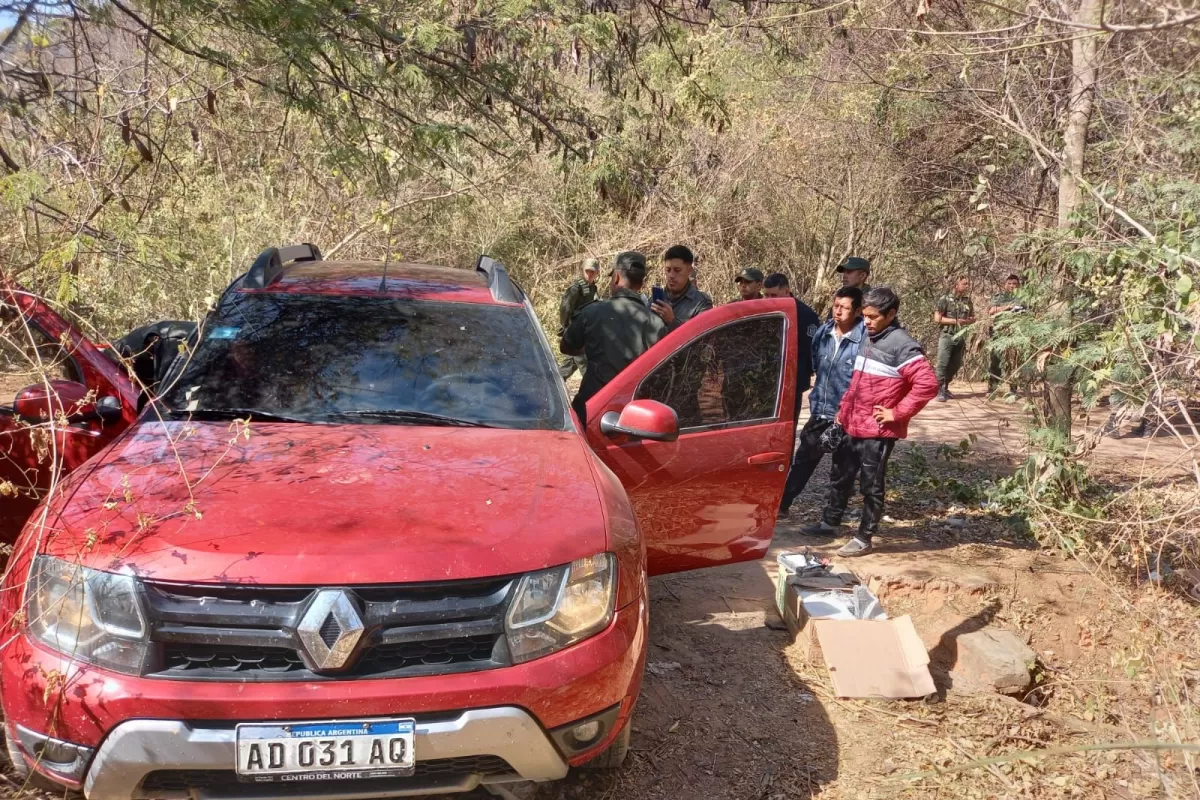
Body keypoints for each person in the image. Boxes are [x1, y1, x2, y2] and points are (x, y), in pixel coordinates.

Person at [813, 288, 938, 557]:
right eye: (865, 316)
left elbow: (927, 384)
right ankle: (829, 523)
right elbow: (858, 380)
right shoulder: (867, 336)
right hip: (852, 423)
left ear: (891, 314)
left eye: (873, 317)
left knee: (871, 485)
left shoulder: (902, 344)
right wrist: (843, 410)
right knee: (840, 476)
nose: (867, 322)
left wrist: (897, 413)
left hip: (878, 431)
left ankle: (864, 538)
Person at [778, 287, 865, 518]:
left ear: (858, 311)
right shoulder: (823, 332)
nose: (838, 311)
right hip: (820, 411)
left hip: (848, 416)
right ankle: (782, 505)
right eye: (836, 306)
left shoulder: (865, 339)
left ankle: (831, 520)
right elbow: (816, 364)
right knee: (803, 460)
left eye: (844, 307)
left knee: (843, 470)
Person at [560, 252, 667, 426]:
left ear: (616, 277)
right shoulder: (657, 323)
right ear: (642, 284)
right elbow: (661, 375)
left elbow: (566, 346)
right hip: (632, 416)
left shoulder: (591, 312)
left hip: (589, 411)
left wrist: (590, 345)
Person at [763, 272, 822, 408]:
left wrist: (804, 374)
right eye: (766, 295)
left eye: (773, 295)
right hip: (768, 379)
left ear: (786, 291)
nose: (769, 299)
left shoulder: (805, 314)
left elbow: (811, 349)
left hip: (793, 380)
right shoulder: (764, 311)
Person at [933, 275, 976, 401]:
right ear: (956, 285)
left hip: (961, 336)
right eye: (964, 284)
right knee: (943, 363)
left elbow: (973, 317)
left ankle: (945, 386)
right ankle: (939, 389)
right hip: (947, 336)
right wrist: (955, 321)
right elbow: (937, 318)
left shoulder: (967, 301)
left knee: (956, 364)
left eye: (968, 284)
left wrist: (969, 320)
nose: (967, 286)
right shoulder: (945, 299)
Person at [652, 245, 713, 331]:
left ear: (689, 270)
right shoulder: (656, 299)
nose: (671, 275)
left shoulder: (701, 304)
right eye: (668, 270)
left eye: (677, 270)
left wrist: (671, 321)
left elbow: (700, 336)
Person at [557, 259, 600, 380]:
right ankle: (592, 387)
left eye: (592, 272)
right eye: (587, 271)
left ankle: (554, 382)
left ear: (597, 273)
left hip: (582, 328)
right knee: (584, 363)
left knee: (571, 361)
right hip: (574, 328)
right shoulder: (576, 288)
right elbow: (565, 308)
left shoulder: (592, 288)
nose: (589, 274)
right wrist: (565, 325)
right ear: (583, 271)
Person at [986, 274, 1023, 396]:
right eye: (1009, 283)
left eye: (1014, 284)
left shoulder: (1023, 297)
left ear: (1018, 285)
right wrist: (1007, 307)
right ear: (1005, 284)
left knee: (1014, 361)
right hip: (998, 332)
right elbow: (991, 311)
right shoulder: (999, 297)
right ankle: (993, 387)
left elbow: (1028, 312)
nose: (1012, 286)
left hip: (1015, 332)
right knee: (995, 360)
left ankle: (1013, 388)